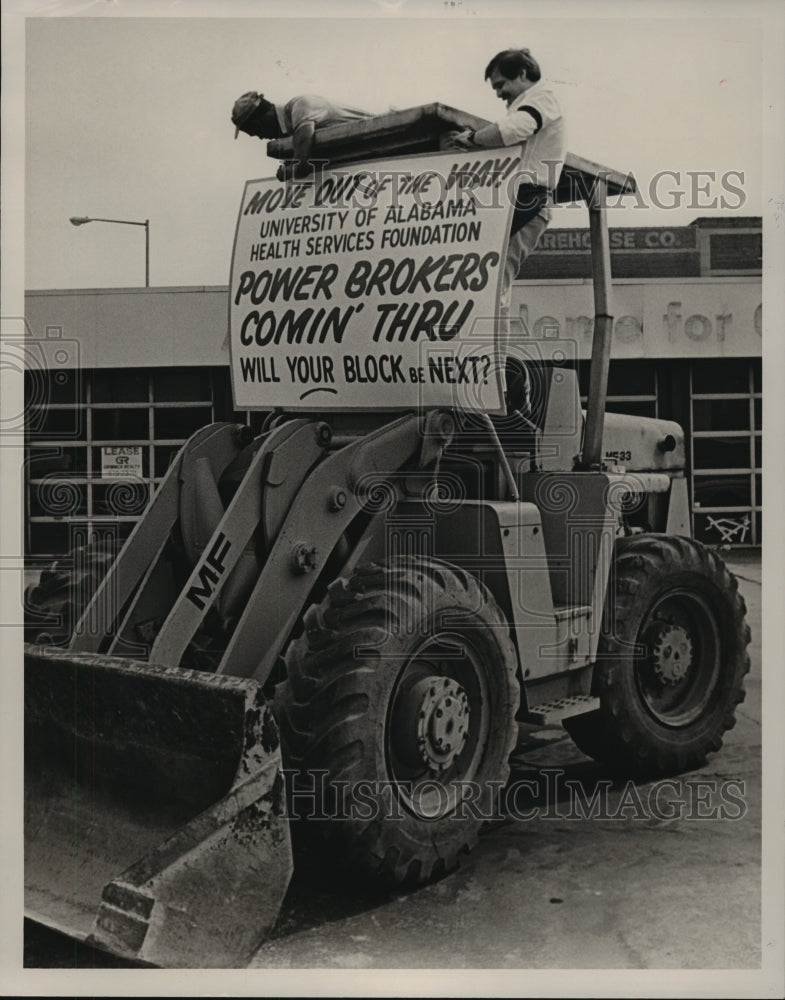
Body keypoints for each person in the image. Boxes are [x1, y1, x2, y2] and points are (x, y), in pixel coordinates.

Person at [449, 49, 566, 414]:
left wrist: (470, 140)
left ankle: (498, 379)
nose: (499, 93)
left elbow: (512, 130)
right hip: (521, 197)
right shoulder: (534, 101)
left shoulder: (540, 99)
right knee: (490, 283)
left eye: (501, 85)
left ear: (521, 74)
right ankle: (495, 373)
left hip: (530, 198)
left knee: (494, 286)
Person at [231, 91, 371, 180]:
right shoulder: (292, 128)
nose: (261, 137)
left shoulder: (301, 105)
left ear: (261, 121)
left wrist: (289, 170)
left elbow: (301, 165)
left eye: (257, 131)